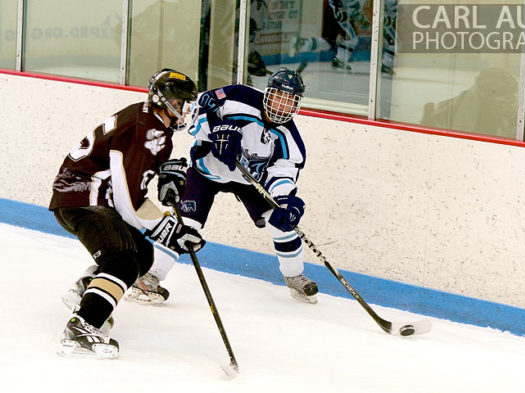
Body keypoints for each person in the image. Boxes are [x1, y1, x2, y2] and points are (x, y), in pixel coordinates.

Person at [49, 69, 205, 359]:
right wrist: (169, 230)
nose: (187, 110)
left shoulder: (151, 123)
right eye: (182, 102)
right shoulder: (146, 130)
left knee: (142, 254)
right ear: (166, 101)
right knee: (121, 260)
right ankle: (84, 325)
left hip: (87, 195)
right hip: (84, 198)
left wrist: (163, 174)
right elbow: (128, 201)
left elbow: (130, 180)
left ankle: (88, 289)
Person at [129, 67, 318, 305]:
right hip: (206, 171)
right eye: (279, 96)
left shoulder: (290, 139)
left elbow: (282, 175)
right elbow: (194, 111)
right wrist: (215, 131)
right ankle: (149, 277)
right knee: (186, 224)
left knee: (282, 222)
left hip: (248, 181)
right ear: (268, 92)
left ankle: (293, 275)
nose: (282, 105)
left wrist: (285, 201)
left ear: (297, 105)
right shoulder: (239, 96)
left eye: (290, 101)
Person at [291, 0, 397, 74]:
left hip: (338, 10)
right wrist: (338, 8)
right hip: (336, 10)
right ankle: (339, 60)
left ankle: (301, 44)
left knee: (329, 42)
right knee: (351, 39)